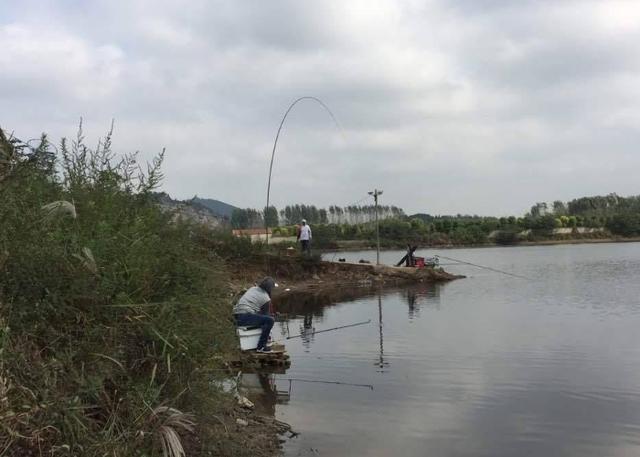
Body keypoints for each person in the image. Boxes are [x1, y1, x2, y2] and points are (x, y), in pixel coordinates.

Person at [233, 277, 277, 352]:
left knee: (264, 320)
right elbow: (266, 315)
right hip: (244, 318)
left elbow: (253, 305)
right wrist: (272, 316)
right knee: (270, 321)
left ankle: (261, 341)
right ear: (270, 288)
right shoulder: (266, 298)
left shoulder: (253, 288)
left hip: (235, 317)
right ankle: (261, 347)